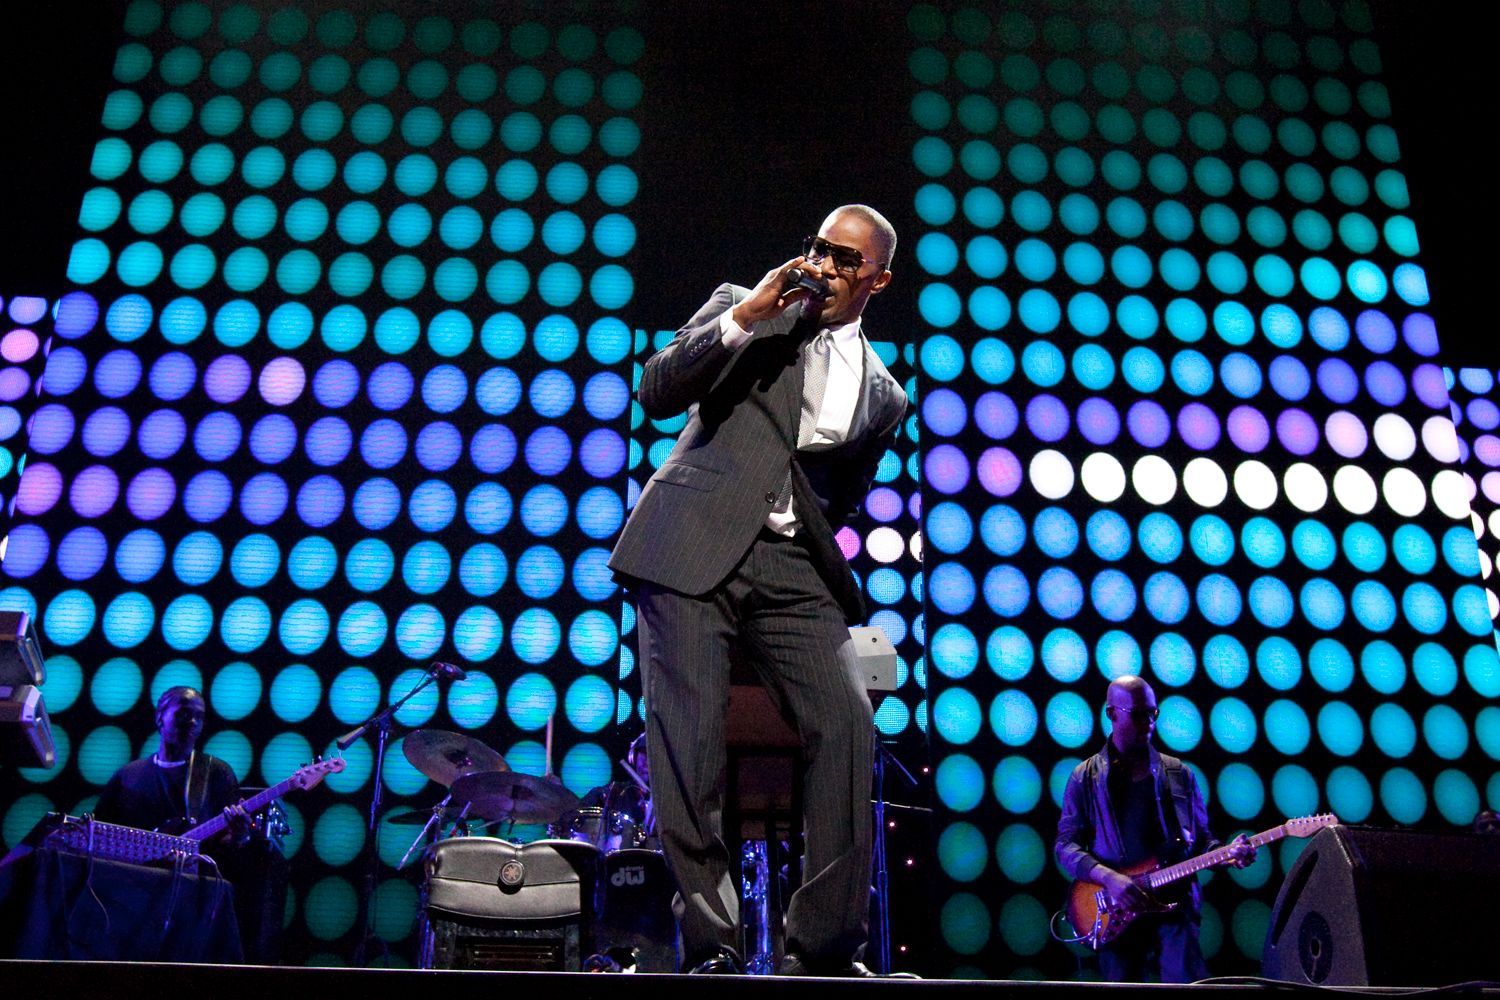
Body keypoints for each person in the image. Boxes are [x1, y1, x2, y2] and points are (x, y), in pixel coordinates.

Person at [609, 205, 907, 977]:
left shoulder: (885, 395)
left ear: (878, 279)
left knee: (848, 724)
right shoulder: (747, 306)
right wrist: (745, 317)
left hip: (792, 566)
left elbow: (842, 495)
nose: (827, 267)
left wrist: (800, 536)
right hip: (690, 540)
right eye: (820, 249)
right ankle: (712, 946)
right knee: (690, 747)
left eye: (847, 260)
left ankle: (826, 948)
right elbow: (656, 389)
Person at [1055, 676, 1256, 983]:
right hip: (1117, 908)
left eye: (1153, 713)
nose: (1148, 722)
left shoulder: (1179, 774)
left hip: (1175, 905)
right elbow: (1066, 846)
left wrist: (1227, 854)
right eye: (1138, 714)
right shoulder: (1085, 777)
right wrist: (1108, 879)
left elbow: (1201, 840)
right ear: (1111, 713)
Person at [94, 686, 251, 851]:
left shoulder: (217, 773)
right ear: (160, 717)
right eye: (184, 713)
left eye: (199, 717)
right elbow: (96, 835)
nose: (193, 722)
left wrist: (239, 835)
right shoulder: (127, 776)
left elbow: (227, 842)